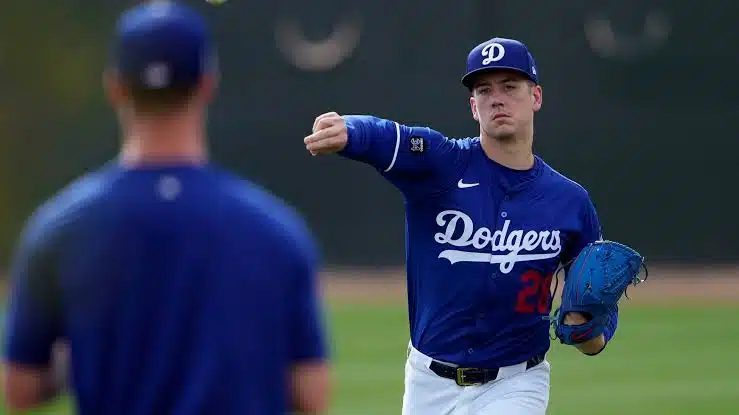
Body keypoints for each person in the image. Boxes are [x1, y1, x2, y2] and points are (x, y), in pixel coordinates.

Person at [2, 1, 331, 414]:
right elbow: (312, 392)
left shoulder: (60, 228)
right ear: (208, 84)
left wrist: (87, 348)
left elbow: (19, 388)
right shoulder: (274, 230)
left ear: (115, 87)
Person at [304, 37, 617, 414]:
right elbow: (387, 135)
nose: (497, 98)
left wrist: (590, 331)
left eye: (510, 87)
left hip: (517, 383)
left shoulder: (570, 202)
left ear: (536, 96)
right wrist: (348, 130)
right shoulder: (440, 164)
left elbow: (597, 320)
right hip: (428, 384)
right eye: (484, 90)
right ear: (474, 106)